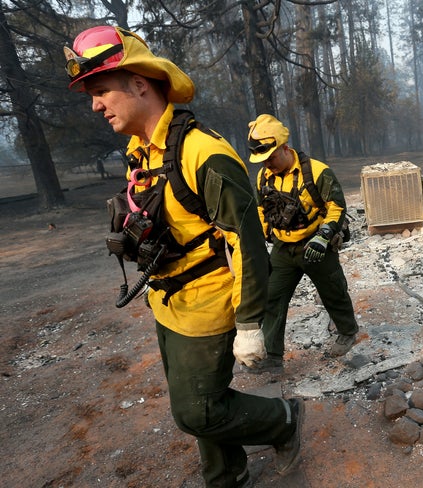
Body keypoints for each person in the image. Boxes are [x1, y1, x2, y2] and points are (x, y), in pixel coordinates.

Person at [64, 26, 303, 487]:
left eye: (100, 91)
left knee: (198, 410)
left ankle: (285, 420)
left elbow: (247, 243)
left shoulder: (204, 154)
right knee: (195, 398)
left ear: (139, 84)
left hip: (208, 306)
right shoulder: (140, 152)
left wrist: (251, 324)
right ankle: (226, 477)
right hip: (167, 300)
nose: (95, 105)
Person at [245, 114, 359, 374]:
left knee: (333, 290)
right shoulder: (264, 177)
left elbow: (336, 206)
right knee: (273, 299)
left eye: (271, 157)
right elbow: (263, 208)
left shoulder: (318, 172)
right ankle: (272, 356)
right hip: (283, 249)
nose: (267, 164)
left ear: (285, 148)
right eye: (262, 160)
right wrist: (263, 232)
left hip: (315, 245)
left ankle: (347, 330)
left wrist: (324, 235)